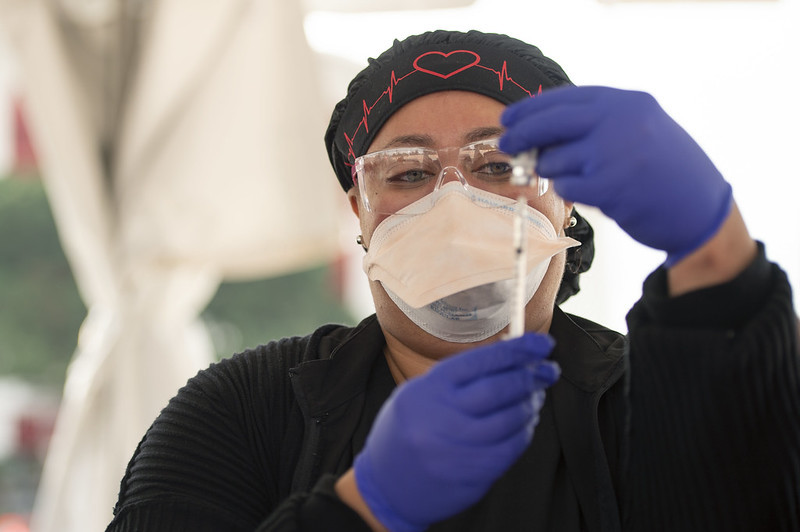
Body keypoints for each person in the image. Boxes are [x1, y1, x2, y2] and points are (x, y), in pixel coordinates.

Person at [105, 30, 799, 532]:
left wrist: (716, 254)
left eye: (498, 167)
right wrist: (362, 508)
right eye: (408, 174)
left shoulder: (643, 406)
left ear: (565, 204)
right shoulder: (244, 413)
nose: (456, 202)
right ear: (359, 212)